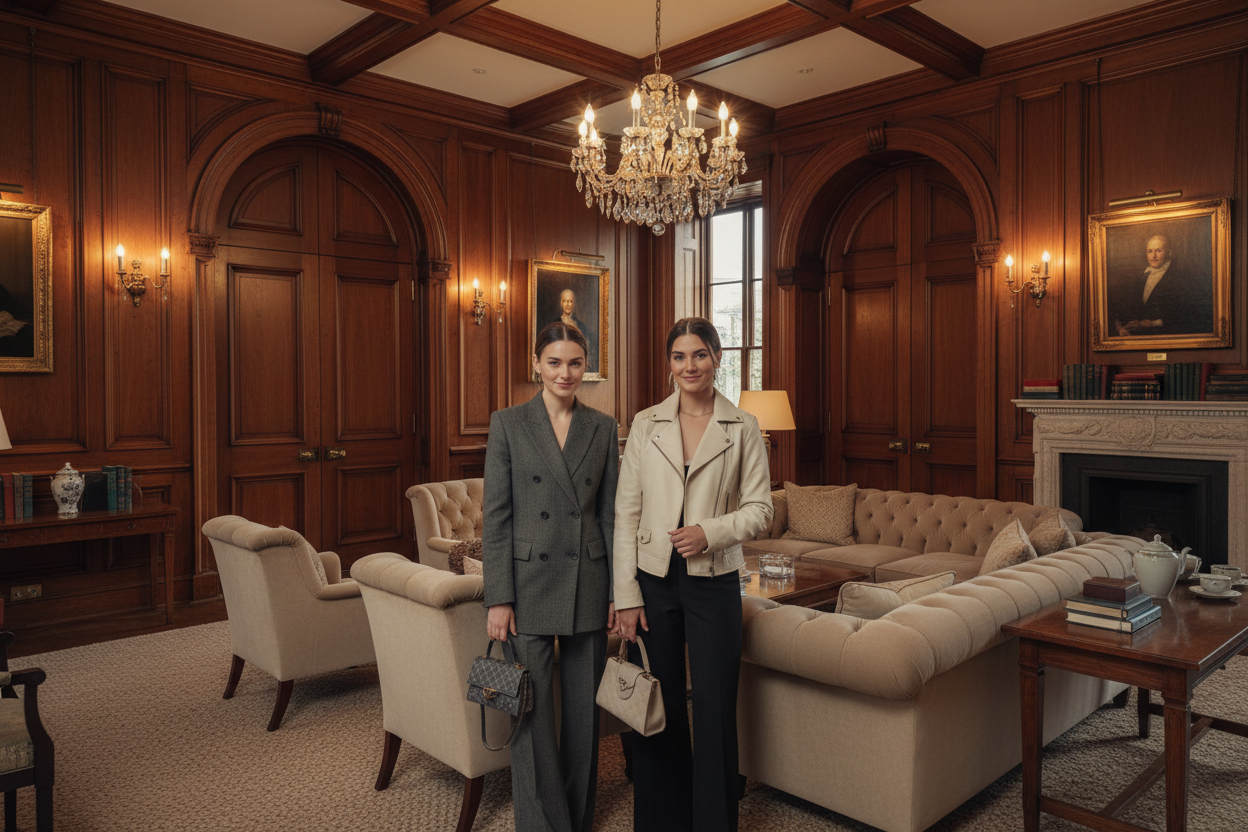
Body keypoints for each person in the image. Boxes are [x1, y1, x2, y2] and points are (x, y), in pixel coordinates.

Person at [612, 317, 774, 832]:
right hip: (652, 580)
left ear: (717, 359)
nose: (689, 366)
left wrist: (710, 531)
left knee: (714, 706)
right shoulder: (644, 424)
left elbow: (761, 510)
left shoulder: (742, 426)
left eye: (699, 355)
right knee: (658, 707)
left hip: (715, 579)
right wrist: (625, 595)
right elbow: (626, 514)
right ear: (669, 364)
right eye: (679, 357)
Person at [481, 321, 619, 832]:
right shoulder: (508, 423)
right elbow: (495, 516)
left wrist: (617, 591)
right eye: (555, 362)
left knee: (584, 713)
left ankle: (577, 819)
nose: (565, 373)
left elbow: (611, 518)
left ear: (587, 367)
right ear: (536, 363)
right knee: (530, 709)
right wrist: (499, 597)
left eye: (576, 362)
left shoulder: (603, 427)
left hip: (588, 577)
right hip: (527, 583)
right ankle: (541, 823)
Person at [1113, 234, 1212, 336]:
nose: (1153, 256)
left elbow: (1189, 315)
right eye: (1150, 251)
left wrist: (1153, 323)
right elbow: (1123, 310)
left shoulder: (1181, 278)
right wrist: (1121, 328)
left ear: (1169, 252)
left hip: (1167, 336)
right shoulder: (1141, 277)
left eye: (1159, 250)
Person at [556, 289, 596, 372]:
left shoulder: (581, 326)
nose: (568, 304)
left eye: (570, 301)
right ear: (561, 303)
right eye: (565, 301)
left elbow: (586, 350)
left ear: (574, 304)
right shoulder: (555, 324)